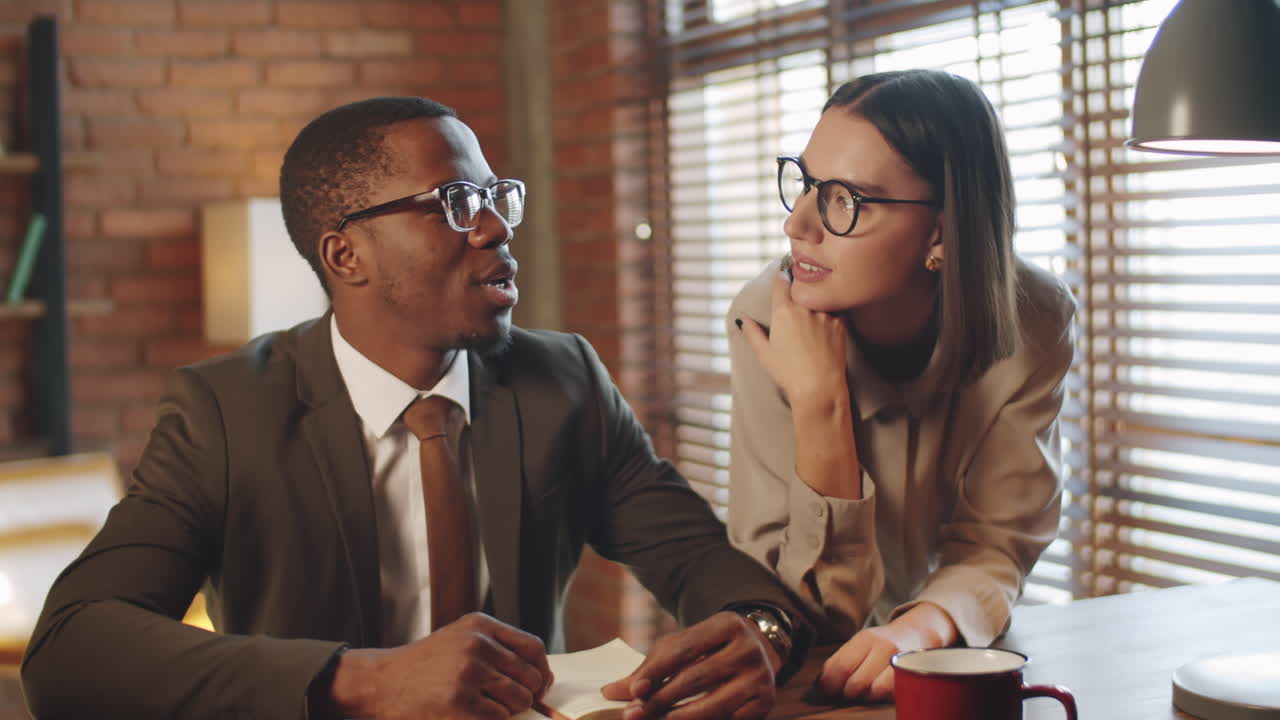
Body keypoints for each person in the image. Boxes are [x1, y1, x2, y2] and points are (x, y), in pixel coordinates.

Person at [21, 96, 813, 720]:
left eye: (497, 195)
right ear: (346, 254)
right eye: (455, 201)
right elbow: (69, 651)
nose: (497, 227)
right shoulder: (224, 412)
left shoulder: (561, 381)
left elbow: (703, 562)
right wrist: (361, 683)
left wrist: (763, 634)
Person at [728, 69, 1076, 703]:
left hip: (936, 674)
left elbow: (1000, 541)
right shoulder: (767, 317)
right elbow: (794, 613)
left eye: (844, 199)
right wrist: (820, 405)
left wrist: (924, 625)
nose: (797, 225)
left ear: (941, 230)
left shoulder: (1035, 321)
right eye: (805, 183)